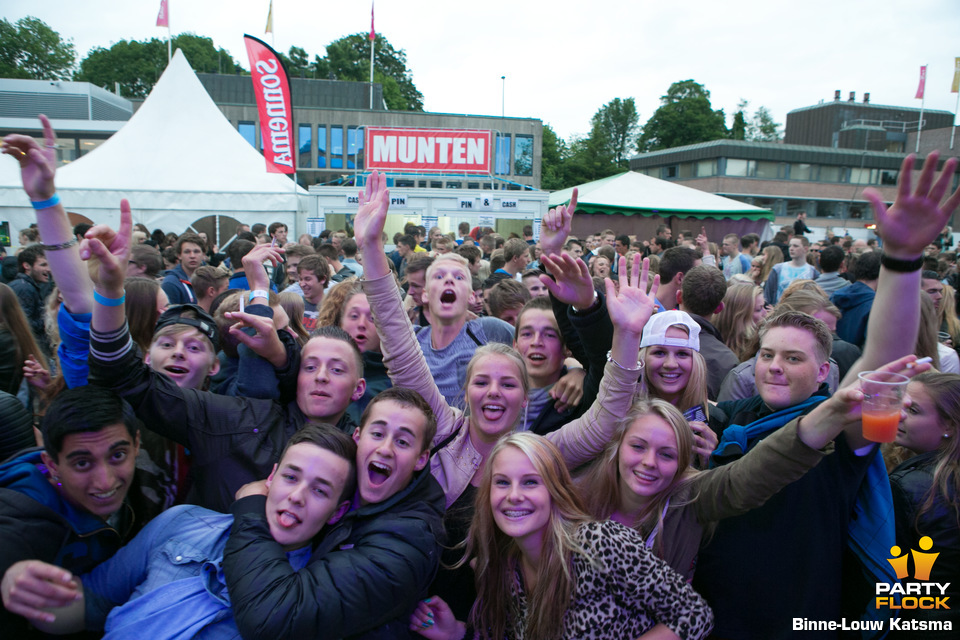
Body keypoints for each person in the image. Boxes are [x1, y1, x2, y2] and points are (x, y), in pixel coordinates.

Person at [692, 151, 960, 639]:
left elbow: (881, 358)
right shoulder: (729, 416)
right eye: (767, 354)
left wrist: (901, 262)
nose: (774, 366)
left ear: (823, 374)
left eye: (793, 359)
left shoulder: (841, 427)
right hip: (717, 614)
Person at [83, 203, 361, 511]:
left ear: (358, 387)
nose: (321, 376)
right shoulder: (240, 419)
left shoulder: (367, 450)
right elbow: (125, 378)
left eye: (336, 369)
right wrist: (109, 291)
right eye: (310, 366)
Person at [0, 423, 356, 638]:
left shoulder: (311, 594)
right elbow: (95, 602)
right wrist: (32, 593)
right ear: (272, 477)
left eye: (320, 490)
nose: (296, 496)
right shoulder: (184, 521)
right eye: (291, 477)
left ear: (337, 511)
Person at [409, 432, 714, 640]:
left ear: (555, 491)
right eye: (502, 483)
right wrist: (456, 633)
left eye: (530, 482)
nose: (514, 496)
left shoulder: (599, 542)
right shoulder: (506, 566)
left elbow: (693, 615)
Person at [222, 388, 445, 639]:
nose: (385, 449)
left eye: (403, 442)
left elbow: (272, 617)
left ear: (421, 459)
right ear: (357, 437)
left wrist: (252, 508)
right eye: (378, 433)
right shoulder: (342, 482)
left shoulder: (408, 543)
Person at [0, 386, 142, 639]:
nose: (105, 482)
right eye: (82, 463)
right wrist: (8, 574)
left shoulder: (140, 481)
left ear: (136, 445)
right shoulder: (21, 521)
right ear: (52, 465)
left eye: (117, 455)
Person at [885, 372, 960, 637]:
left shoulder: (909, 487)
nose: (900, 415)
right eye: (901, 405)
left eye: (914, 410)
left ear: (948, 425)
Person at [763, 235, 819, 305]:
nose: (791, 249)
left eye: (795, 246)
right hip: (779, 311)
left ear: (805, 249)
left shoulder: (813, 272)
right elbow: (768, 294)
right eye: (790, 246)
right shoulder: (778, 269)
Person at [160, 233, 206, 305]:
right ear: (179, 255)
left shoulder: (210, 279)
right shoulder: (171, 283)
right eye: (187, 252)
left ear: (203, 255)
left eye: (196, 251)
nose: (192, 256)